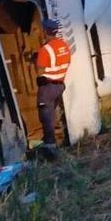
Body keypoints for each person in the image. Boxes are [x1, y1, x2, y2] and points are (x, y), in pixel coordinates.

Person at [34, 19, 70, 160]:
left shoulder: (45, 50)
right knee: (53, 113)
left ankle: (50, 148)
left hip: (48, 87)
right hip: (60, 86)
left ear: (44, 31)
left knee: (46, 116)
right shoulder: (64, 45)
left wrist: (35, 60)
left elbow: (39, 71)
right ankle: (56, 138)